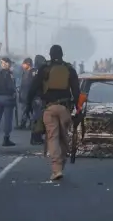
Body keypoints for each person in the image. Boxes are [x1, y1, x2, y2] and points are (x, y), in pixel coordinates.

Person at [26, 45, 80, 180]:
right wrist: (79, 110)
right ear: (62, 54)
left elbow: (33, 88)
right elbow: (77, 91)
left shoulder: (44, 69)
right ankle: (62, 164)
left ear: (50, 55)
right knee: (64, 138)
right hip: (65, 109)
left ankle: (56, 169)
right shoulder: (69, 69)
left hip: (49, 108)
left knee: (52, 138)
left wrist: (28, 105)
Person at [0, 57, 17, 147]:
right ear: (7, 64)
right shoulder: (10, 74)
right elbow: (11, 87)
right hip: (8, 98)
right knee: (7, 119)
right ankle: (6, 139)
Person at [17, 58, 34, 130]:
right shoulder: (25, 72)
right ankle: (24, 123)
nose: (22, 65)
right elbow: (23, 84)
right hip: (24, 94)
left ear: (28, 64)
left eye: (24, 64)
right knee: (25, 110)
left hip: (28, 94)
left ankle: (28, 124)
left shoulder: (32, 73)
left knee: (28, 110)